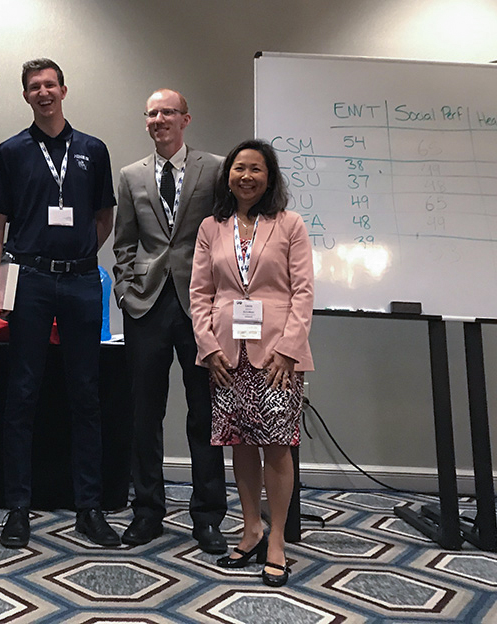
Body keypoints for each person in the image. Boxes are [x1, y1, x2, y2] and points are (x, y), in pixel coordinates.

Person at [0, 58, 119, 549]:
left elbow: (103, 217)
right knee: (22, 394)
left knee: (86, 396)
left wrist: (81, 255)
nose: (43, 93)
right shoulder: (11, 152)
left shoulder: (93, 150)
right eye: (33, 87)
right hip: (31, 280)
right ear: (26, 96)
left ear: (64, 89)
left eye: (50, 85)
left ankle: (90, 508)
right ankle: (18, 508)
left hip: (82, 282)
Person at [189, 139, 313, 587]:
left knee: (277, 447)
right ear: (228, 176)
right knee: (239, 444)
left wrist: (289, 348)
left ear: (269, 176)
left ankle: (276, 538)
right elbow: (200, 293)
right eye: (239, 168)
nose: (246, 176)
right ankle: (250, 528)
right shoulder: (210, 228)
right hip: (226, 355)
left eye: (255, 169)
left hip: (277, 356)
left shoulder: (291, 225)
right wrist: (207, 346)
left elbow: (303, 293)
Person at [113, 89, 228, 550]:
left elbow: (223, 232)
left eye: (168, 112)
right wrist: (124, 289)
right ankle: (147, 511)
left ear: (186, 119)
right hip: (146, 305)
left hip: (200, 305)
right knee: (145, 413)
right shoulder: (130, 175)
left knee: (204, 412)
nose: (159, 119)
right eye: (152, 113)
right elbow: (124, 241)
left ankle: (207, 516)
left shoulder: (215, 168)